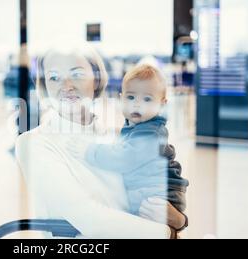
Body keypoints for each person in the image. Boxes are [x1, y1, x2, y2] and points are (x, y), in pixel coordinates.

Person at [15, 45, 187, 239]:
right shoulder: (33, 143)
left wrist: (178, 220)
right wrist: (168, 234)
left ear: (96, 81)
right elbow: (88, 217)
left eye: (77, 74)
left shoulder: (117, 139)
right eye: (54, 77)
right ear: (45, 87)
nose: (66, 85)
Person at [67, 64, 189, 218]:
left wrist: (90, 151)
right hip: (150, 189)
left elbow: (125, 157)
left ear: (162, 104)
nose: (137, 104)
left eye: (147, 99)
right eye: (131, 97)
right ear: (121, 98)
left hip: (162, 194)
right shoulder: (137, 125)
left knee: (121, 213)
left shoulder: (151, 132)